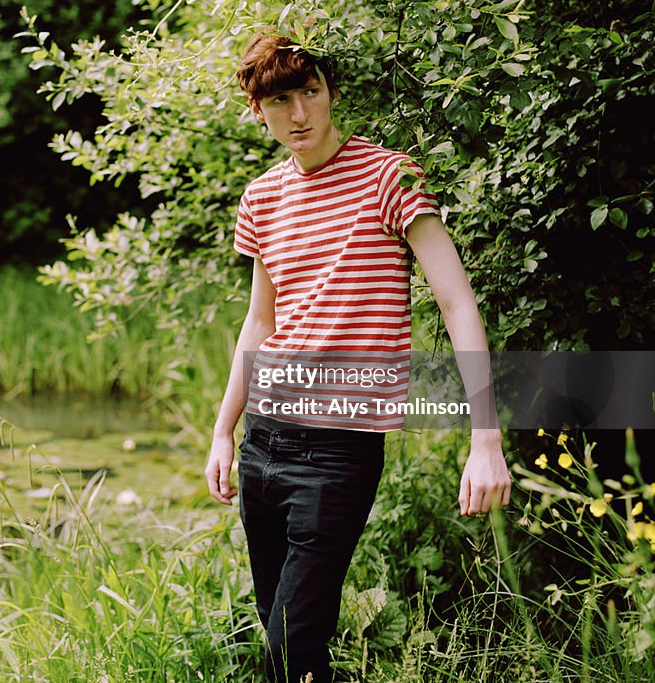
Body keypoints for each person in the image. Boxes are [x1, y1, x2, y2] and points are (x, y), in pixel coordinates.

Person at [204, 33, 512, 683]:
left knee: (287, 649)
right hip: (263, 443)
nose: (298, 114)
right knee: (290, 646)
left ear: (332, 93)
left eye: (309, 92)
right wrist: (223, 431)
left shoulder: (388, 176)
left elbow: (457, 304)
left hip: (337, 452)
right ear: (258, 110)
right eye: (280, 99)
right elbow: (260, 321)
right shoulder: (261, 199)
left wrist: (485, 438)